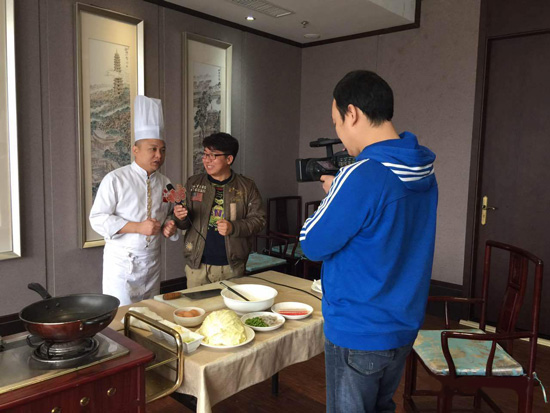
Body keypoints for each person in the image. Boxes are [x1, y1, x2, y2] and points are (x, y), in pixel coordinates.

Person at [300, 70, 438, 413]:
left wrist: (333, 194)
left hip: (358, 328)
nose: (339, 132)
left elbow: (312, 243)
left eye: (336, 122)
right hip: (402, 323)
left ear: (352, 113)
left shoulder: (361, 175)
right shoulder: (424, 169)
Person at [90, 95, 178, 306]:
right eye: (153, 149)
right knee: (122, 315)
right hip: (122, 264)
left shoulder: (166, 183)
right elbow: (98, 218)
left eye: (162, 150)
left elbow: (169, 214)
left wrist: (170, 225)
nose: (159, 155)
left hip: (152, 262)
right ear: (135, 150)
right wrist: (138, 227)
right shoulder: (115, 179)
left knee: (150, 312)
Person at [173, 132, 266, 287]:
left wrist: (233, 227)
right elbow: (183, 223)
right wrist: (179, 217)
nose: (206, 160)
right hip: (197, 264)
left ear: (229, 159)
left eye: (213, 155)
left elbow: (259, 220)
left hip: (231, 265)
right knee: (197, 303)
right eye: (205, 154)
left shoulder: (246, 187)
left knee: (230, 303)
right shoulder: (193, 183)